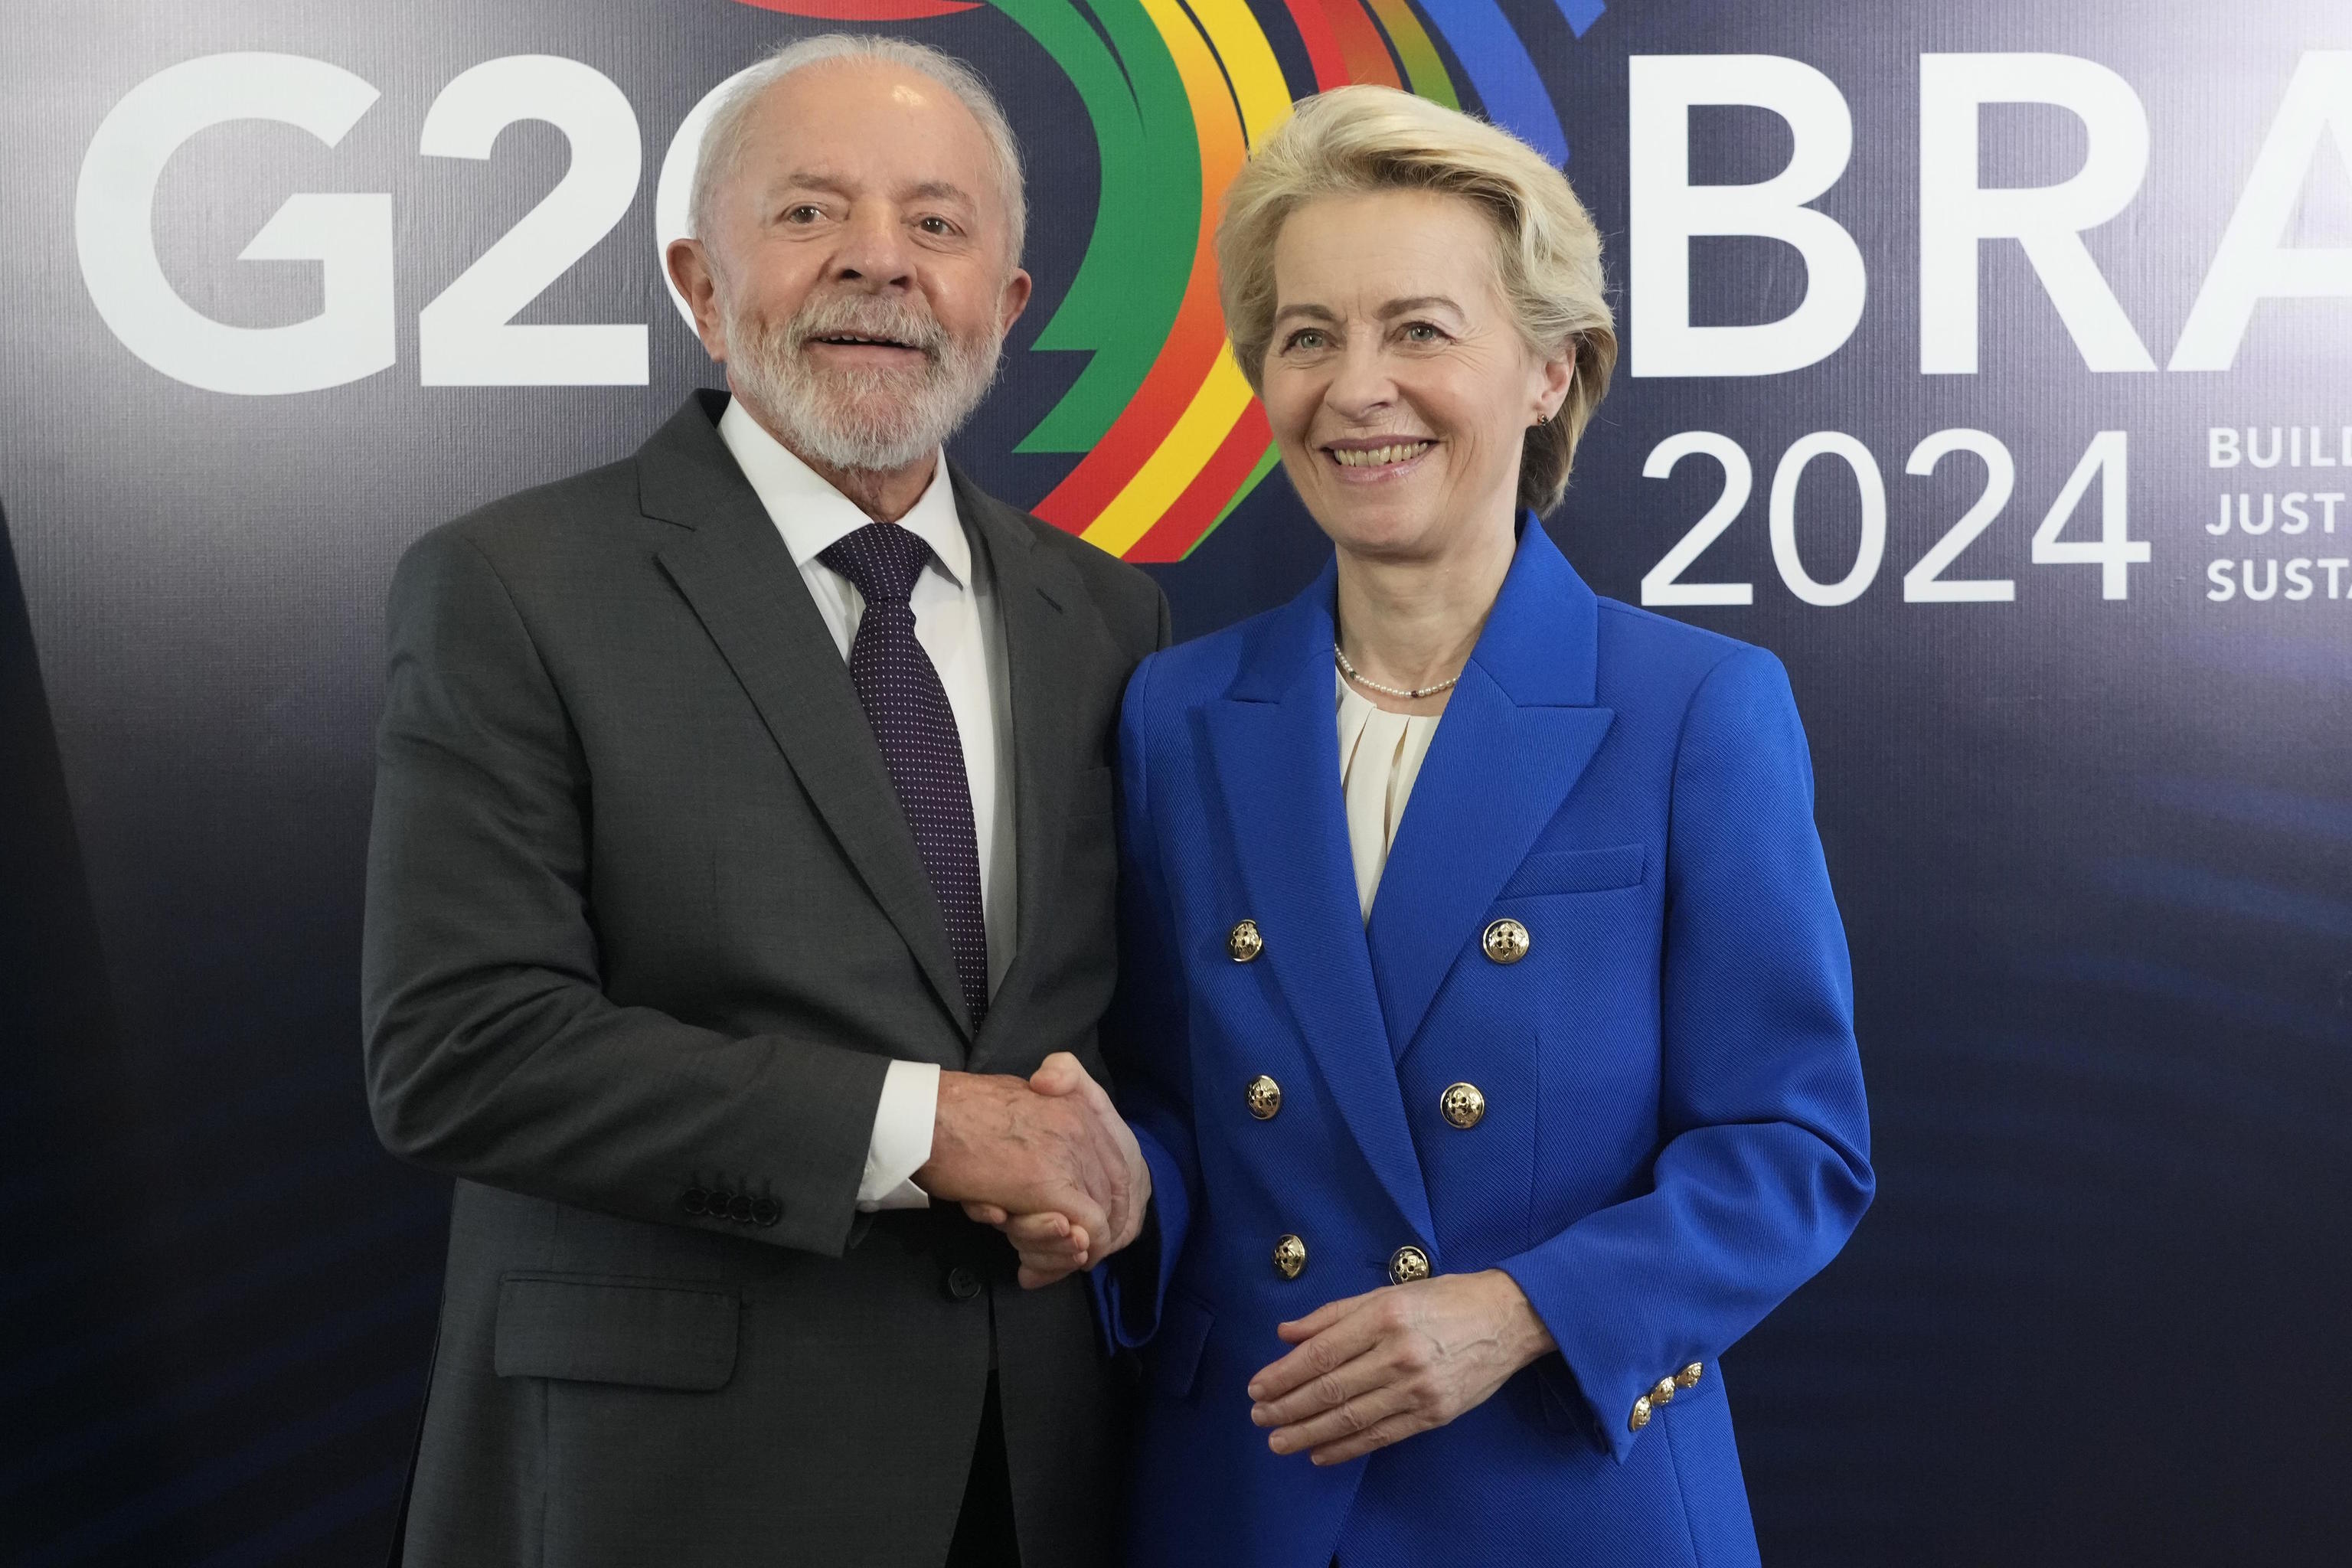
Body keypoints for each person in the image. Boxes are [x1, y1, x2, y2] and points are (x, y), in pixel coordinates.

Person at [977, 85, 1874, 1566]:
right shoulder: (1175, 713)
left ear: (1549, 371)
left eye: (1420, 330)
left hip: (1565, 1491)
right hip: (1249, 1487)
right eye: (1308, 336)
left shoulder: (1698, 707)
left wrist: (1523, 1312)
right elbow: (1175, 1111)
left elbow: (1794, 1148)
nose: (1355, 387)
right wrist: (1116, 1185)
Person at [361, 35, 1158, 1568]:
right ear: (701, 284)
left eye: (938, 223)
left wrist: (1113, 1181)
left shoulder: (1111, 620)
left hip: (1051, 1469)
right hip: (667, 1485)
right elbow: (459, 1049)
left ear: (1008, 304)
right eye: (809, 213)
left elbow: (1124, 1045)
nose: (880, 259)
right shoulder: (513, 588)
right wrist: (935, 1126)